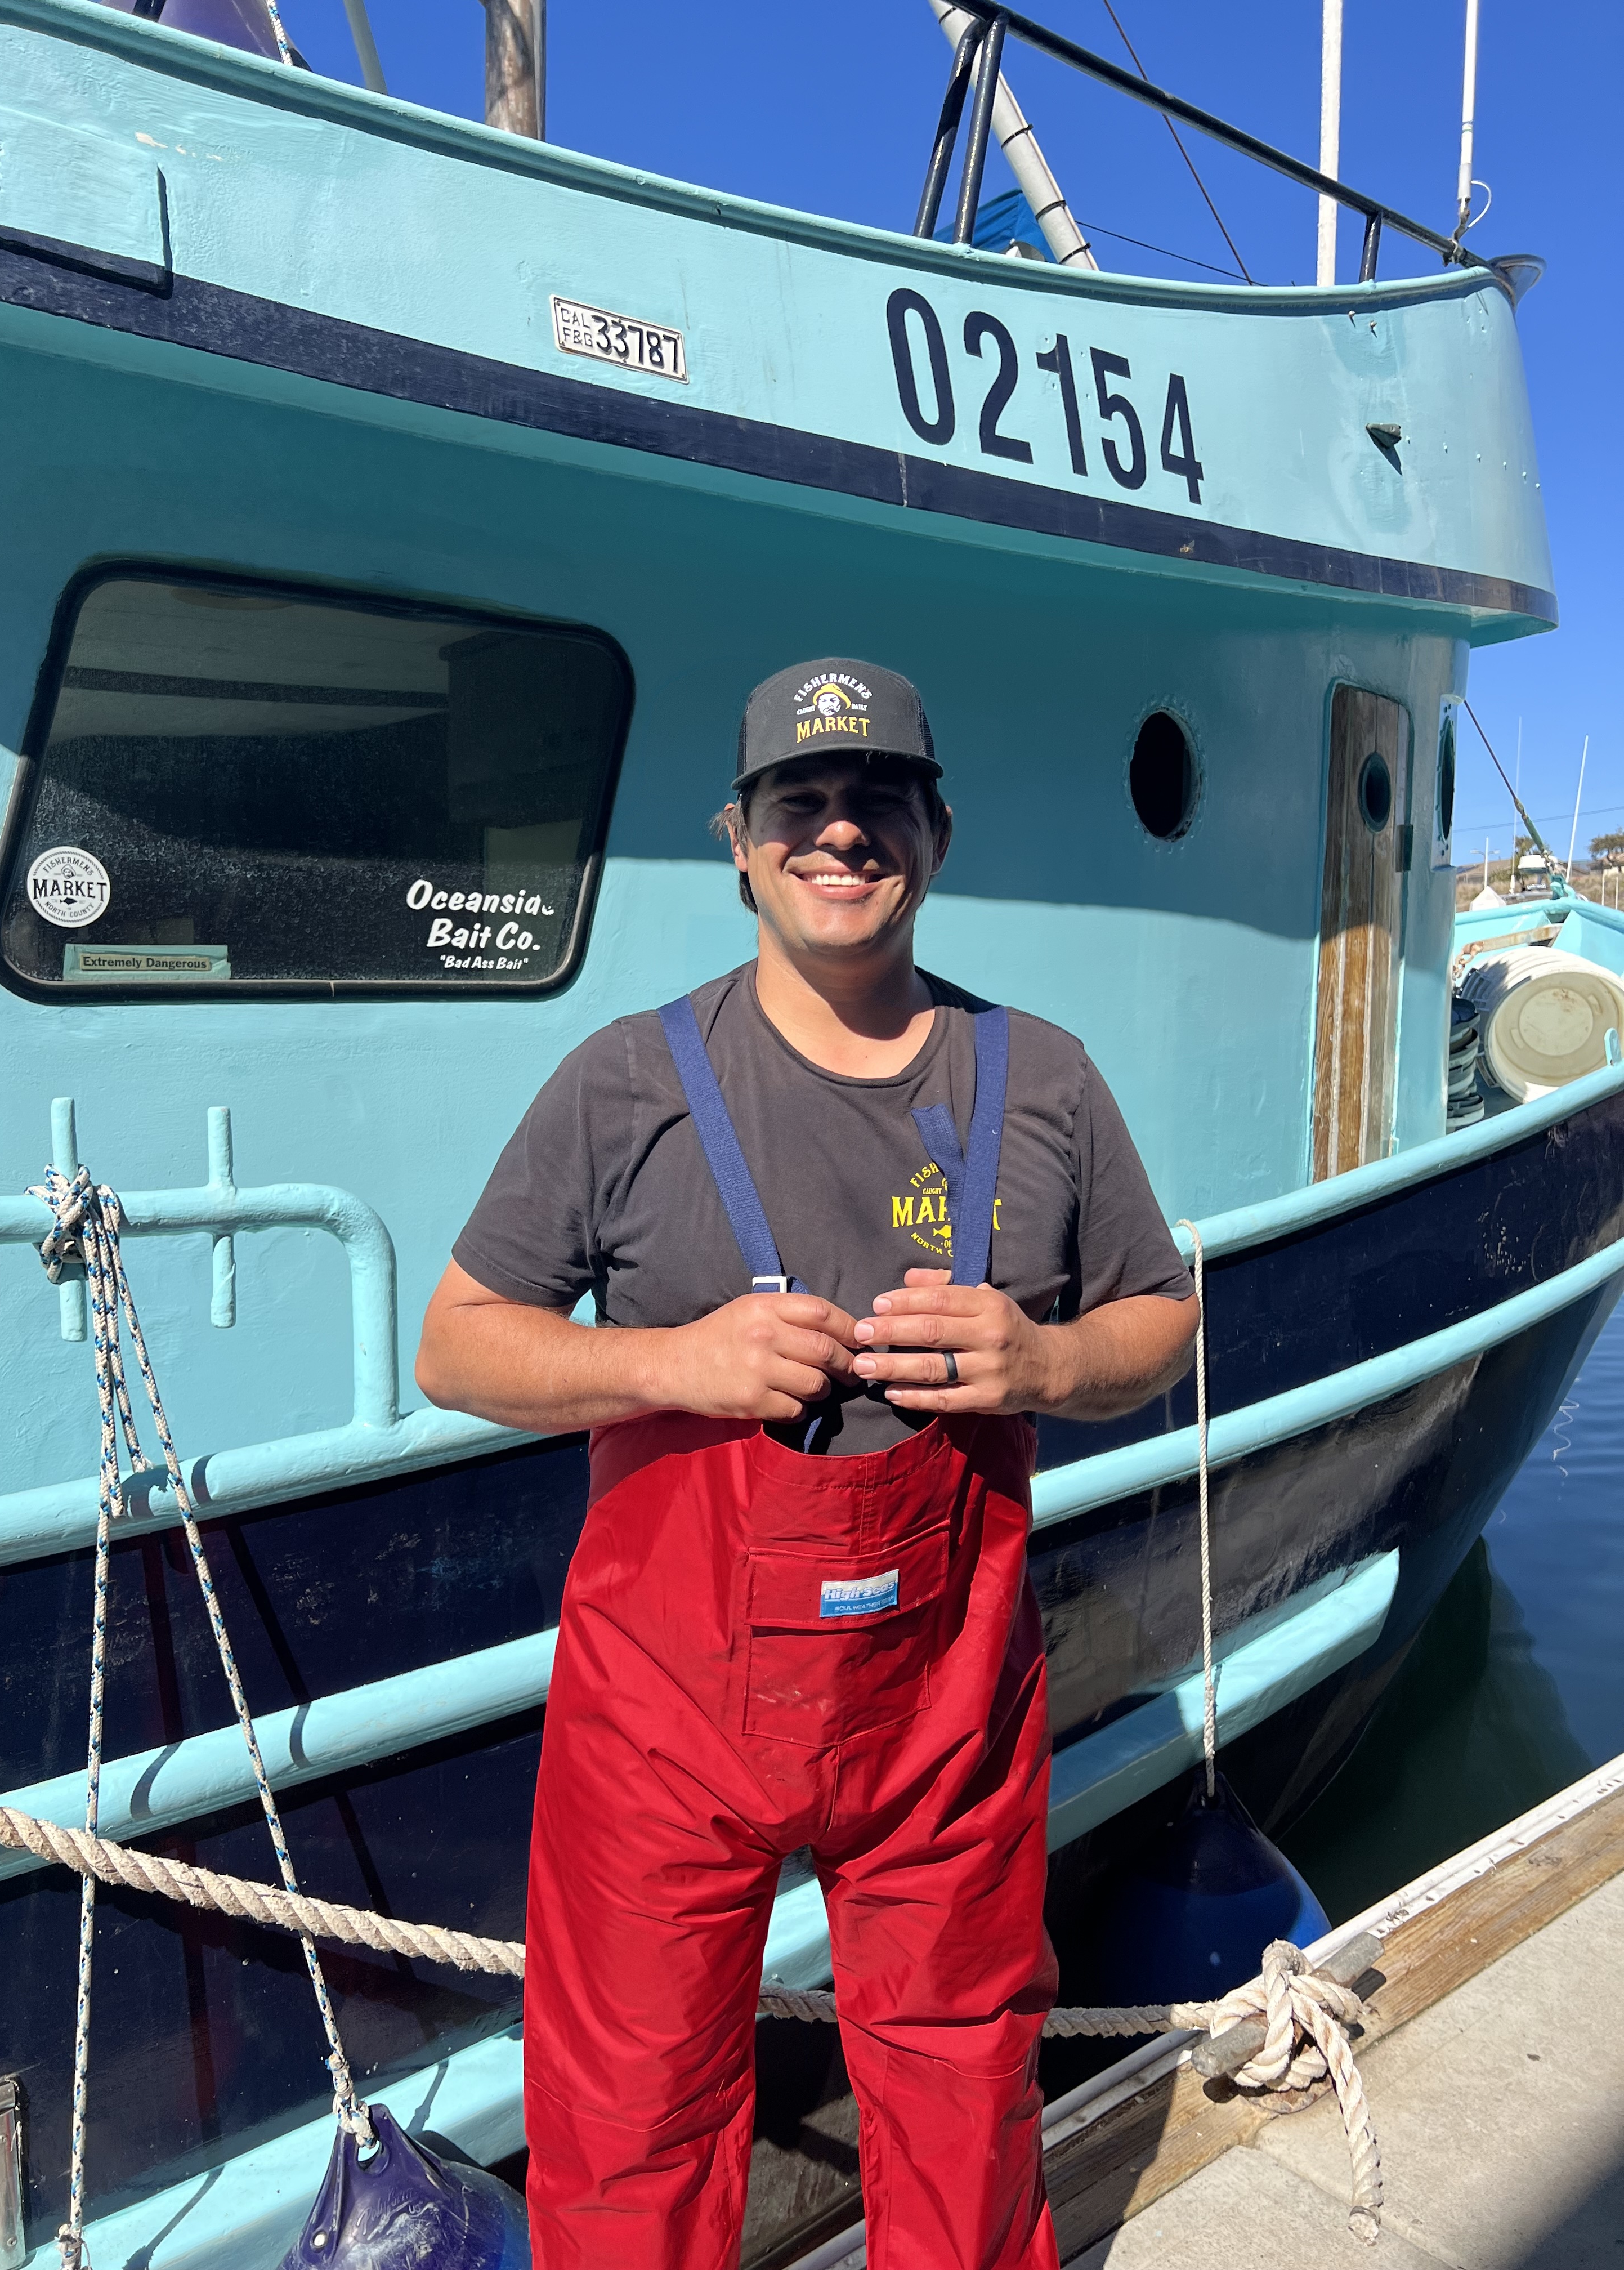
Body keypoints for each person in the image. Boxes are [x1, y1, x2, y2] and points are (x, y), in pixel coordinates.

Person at [417, 659, 1198, 2270]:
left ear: (938, 830)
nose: (841, 834)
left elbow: (1162, 1318)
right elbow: (459, 1344)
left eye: (879, 802)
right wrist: (667, 1365)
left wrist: (1046, 1361)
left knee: (963, 2087)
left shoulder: (1037, 1080)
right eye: (801, 804)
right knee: (628, 2121)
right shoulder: (628, 1081)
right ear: (741, 838)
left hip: (945, 1712)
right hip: (664, 1722)